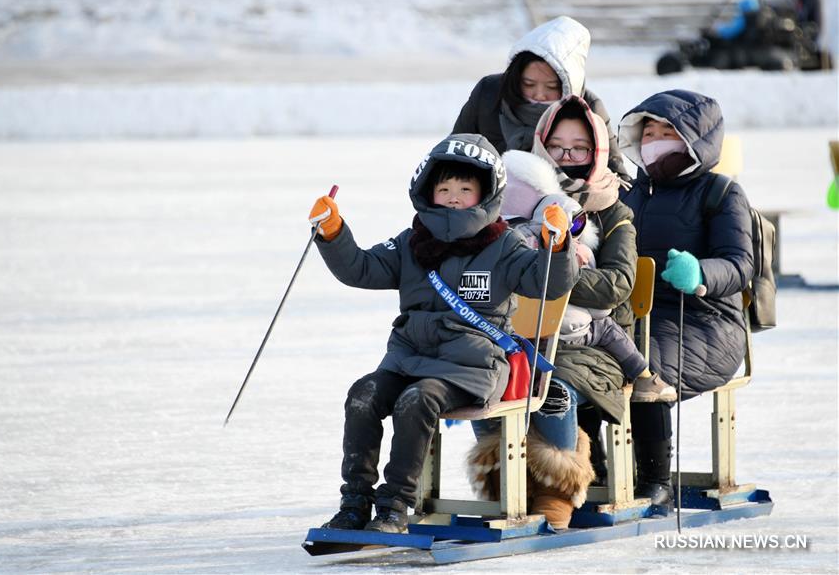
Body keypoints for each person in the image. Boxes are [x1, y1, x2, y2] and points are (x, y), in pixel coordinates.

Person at [309, 133, 578, 534]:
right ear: (427, 191)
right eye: (445, 188)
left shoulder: (506, 243)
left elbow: (549, 284)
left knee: (417, 400)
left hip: (474, 366)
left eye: (465, 189)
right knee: (362, 396)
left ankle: (396, 507)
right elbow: (360, 269)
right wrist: (333, 233)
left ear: (486, 194)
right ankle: (355, 501)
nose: (453, 196)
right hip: (409, 358)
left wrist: (556, 248)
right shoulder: (410, 243)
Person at [467, 96, 647, 529]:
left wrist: (545, 276)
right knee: (480, 376)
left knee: (553, 385)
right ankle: (501, 482)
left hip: (589, 340)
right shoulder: (513, 199)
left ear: (597, 153)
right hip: (514, 333)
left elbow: (615, 285)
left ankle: (556, 490)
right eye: (558, 146)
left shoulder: (613, 211)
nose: (568, 157)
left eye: (579, 148)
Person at [619, 89, 754, 513]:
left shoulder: (721, 193)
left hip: (707, 321)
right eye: (649, 131)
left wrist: (700, 275)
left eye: (668, 132)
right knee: (587, 362)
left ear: (696, 138)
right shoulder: (630, 192)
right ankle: (601, 474)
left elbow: (740, 265)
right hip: (635, 316)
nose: (655, 140)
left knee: (644, 367)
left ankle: (655, 481)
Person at [451, 16, 629, 182]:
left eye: (551, 87)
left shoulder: (587, 108)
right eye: (528, 84)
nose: (539, 94)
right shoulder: (489, 93)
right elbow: (454, 152)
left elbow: (616, 176)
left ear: (568, 85)